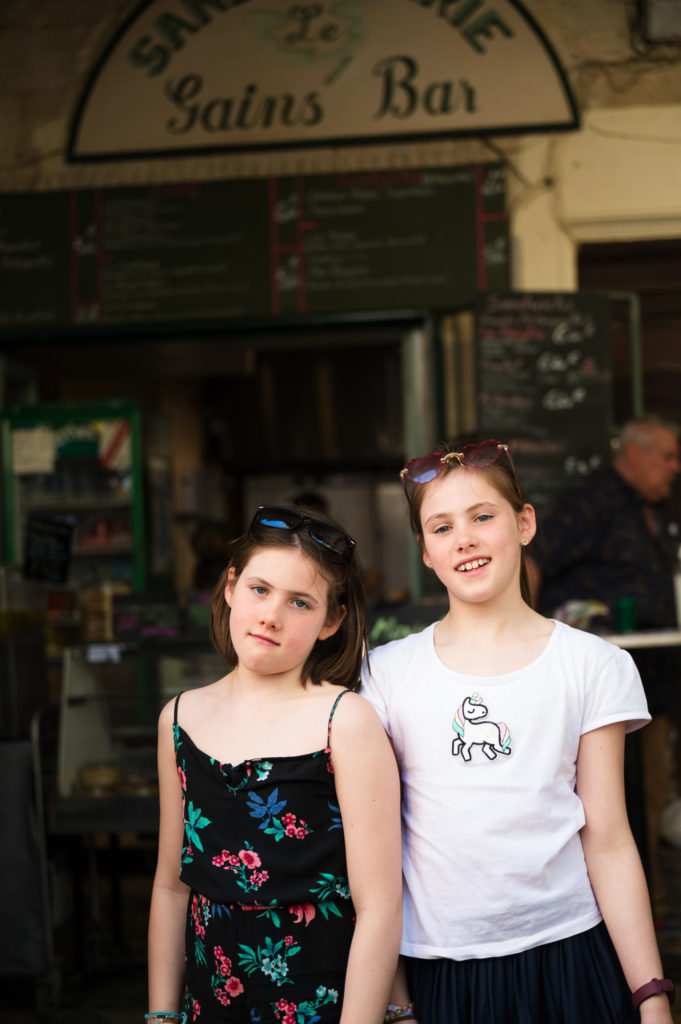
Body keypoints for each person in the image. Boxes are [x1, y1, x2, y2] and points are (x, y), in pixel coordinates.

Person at [360, 439, 675, 1024]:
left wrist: (651, 996)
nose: (464, 539)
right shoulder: (384, 674)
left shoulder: (593, 664)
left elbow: (608, 840)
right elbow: (374, 862)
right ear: (426, 551)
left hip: (570, 955)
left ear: (525, 523)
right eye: (442, 527)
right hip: (439, 967)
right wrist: (398, 1004)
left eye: (483, 517)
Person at [148, 504, 402, 1024]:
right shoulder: (177, 719)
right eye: (259, 589)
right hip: (210, 1005)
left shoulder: (345, 721)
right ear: (230, 587)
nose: (271, 615)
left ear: (332, 621)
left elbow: (379, 907)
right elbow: (171, 887)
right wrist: (162, 1015)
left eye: (300, 602)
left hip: (323, 1004)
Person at [530, 415, 681, 918]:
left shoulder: (652, 510)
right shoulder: (590, 502)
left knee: (651, 796)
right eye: (667, 456)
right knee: (616, 804)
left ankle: (651, 902)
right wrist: (520, 644)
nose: (675, 468)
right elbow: (533, 561)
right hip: (594, 691)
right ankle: (631, 909)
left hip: (653, 682)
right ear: (635, 453)